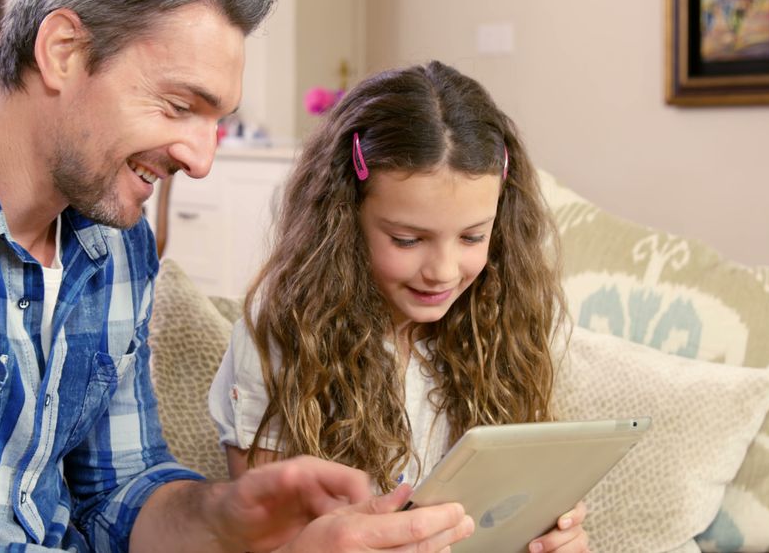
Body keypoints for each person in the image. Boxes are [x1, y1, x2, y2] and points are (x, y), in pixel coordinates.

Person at [0, 0, 476, 550]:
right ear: (64, 50)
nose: (200, 158)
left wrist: (230, 517)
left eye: (216, 120)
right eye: (178, 105)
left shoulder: (110, 233)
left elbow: (119, 493)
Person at [208, 61, 590, 553]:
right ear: (344, 220)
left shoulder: (504, 325)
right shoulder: (280, 337)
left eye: (473, 236)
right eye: (408, 239)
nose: (444, 271)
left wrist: (550, 536)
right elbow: (260, 543)